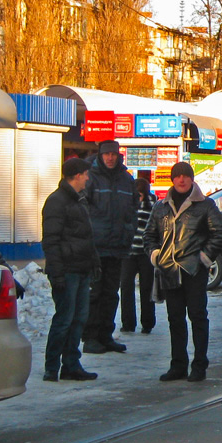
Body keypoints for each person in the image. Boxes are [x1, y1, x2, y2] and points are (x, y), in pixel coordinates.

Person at [143, 161, 222, 383]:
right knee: (175, 319)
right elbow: (149, 236)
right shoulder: (160, 207)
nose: (181, 180)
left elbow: (220, 233)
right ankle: (178, 364)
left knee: (198, 317)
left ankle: (199, 364)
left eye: (186, 176)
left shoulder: (204, 205)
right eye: (177, 176)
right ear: (172, 179)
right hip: (169, 271)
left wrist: (203, 257)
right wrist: (155, 256)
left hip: (193, 271)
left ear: (192, 179)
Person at [41, 157, 101, 382]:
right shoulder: (57, 202)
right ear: (77, 175)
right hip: (67, 271)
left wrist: (94, 261)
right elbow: (51, 240)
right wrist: (56, 272)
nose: (87, 178)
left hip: (81, 269)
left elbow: (87, 237)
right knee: (64, 319)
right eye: (85, 174)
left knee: (78, 319)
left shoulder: (79, 200)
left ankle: (71, 365)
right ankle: (52, 367)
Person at [81, 140, 137, 354]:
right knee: (95, 293)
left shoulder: (126, 179)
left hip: (118, 246)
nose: (110, 158)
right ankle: (91, 337)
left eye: (113, 154)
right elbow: (82, 208)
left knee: (112, 293)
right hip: (96, 247)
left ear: (118, 155)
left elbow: (133, 207)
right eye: (106, 154)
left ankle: (106, 335)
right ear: (100, 156)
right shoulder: (90, 177)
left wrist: (129, 229)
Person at [120, 177, 157, 334]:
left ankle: (147, 323)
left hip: (145, 253)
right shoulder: (127, 203)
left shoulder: (153, 204)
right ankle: (128, 323)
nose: (139, 197)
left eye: (141, 194)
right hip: (128, 253)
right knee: (126, 288)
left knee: (146, 288)